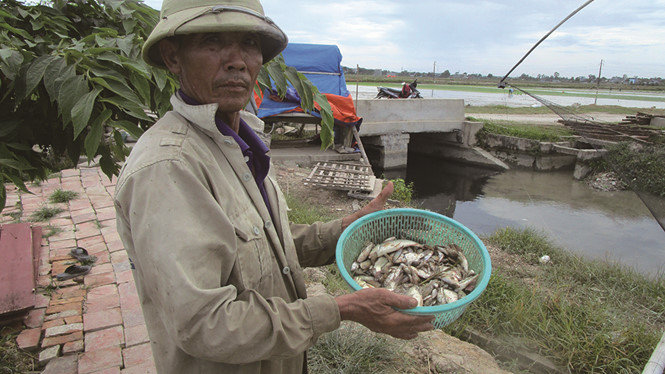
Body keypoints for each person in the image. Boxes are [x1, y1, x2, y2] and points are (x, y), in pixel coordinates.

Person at [113, 0, 434, 373]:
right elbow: (205, 323)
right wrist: (341, 309)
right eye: (213, 42)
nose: (237, 61)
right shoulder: (168, 169)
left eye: (249, 44)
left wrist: (345, 230)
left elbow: (261, 244)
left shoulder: (240, 142)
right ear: (173, 57)